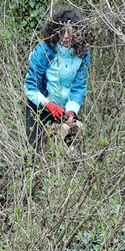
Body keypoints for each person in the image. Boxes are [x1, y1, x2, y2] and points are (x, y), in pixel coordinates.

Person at [23, 9, 91, 150]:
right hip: (40, 106)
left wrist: (71, 111)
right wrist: (49, 106)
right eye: (62, 31)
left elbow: (79, 86)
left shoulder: (83, 54)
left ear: (79, 33)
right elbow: (30, 86)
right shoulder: (44, 50)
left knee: (77, 152)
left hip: (65, 110)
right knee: (33, 151)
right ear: (55, 30)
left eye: (70, 32)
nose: (65, 37)